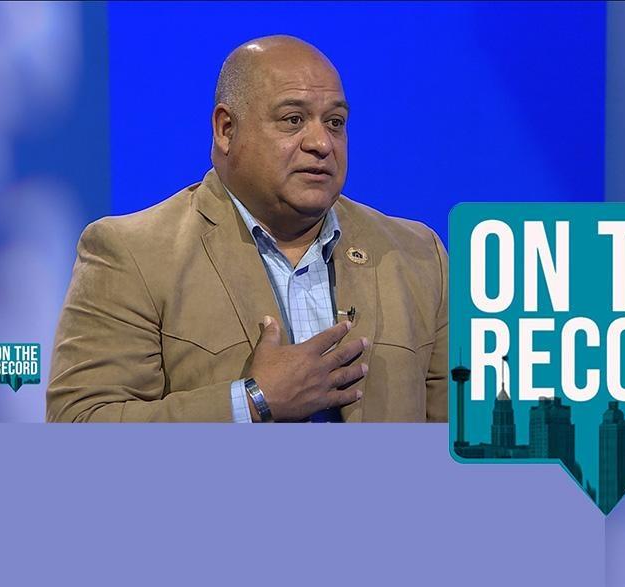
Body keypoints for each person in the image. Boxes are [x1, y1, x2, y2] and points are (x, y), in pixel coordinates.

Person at [47, 35, 447, 422]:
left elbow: (465, 439)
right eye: (293, 120)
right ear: (226, 130)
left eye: (335, 122)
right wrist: (253, 401)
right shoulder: (132, 254)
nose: (322, 143)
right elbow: (81, 423)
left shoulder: (418, 255)